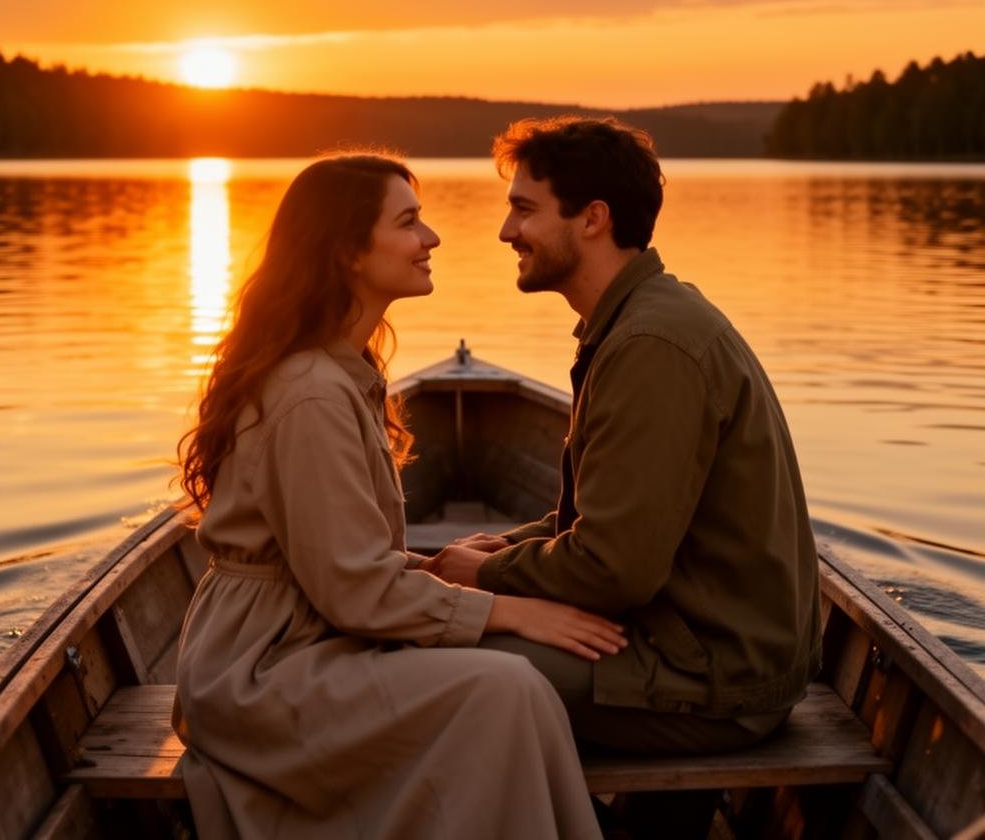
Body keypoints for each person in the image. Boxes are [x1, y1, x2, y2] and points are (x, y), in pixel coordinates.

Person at [173, 155, 622, 840]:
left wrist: (434, 570)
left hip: (312, 641)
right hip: (263, 672)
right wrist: (513, 610)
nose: (431, 238)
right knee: (505, 688)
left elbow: (341, 563)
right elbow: (352, 586)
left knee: (510, 682)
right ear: (348, 251)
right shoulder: (311, 394)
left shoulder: (340, 373)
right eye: (409, 223)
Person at [428, 117, 822, 760]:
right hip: (689, 642)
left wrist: (490, 573)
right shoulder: (644, 318)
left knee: (424, 662)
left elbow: (614, 570)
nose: (505, 231)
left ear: (593, 218)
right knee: (441, 633)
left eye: (524, 210)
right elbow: (616, 522)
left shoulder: (650, 346)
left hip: (710, 676)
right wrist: (510, 546)